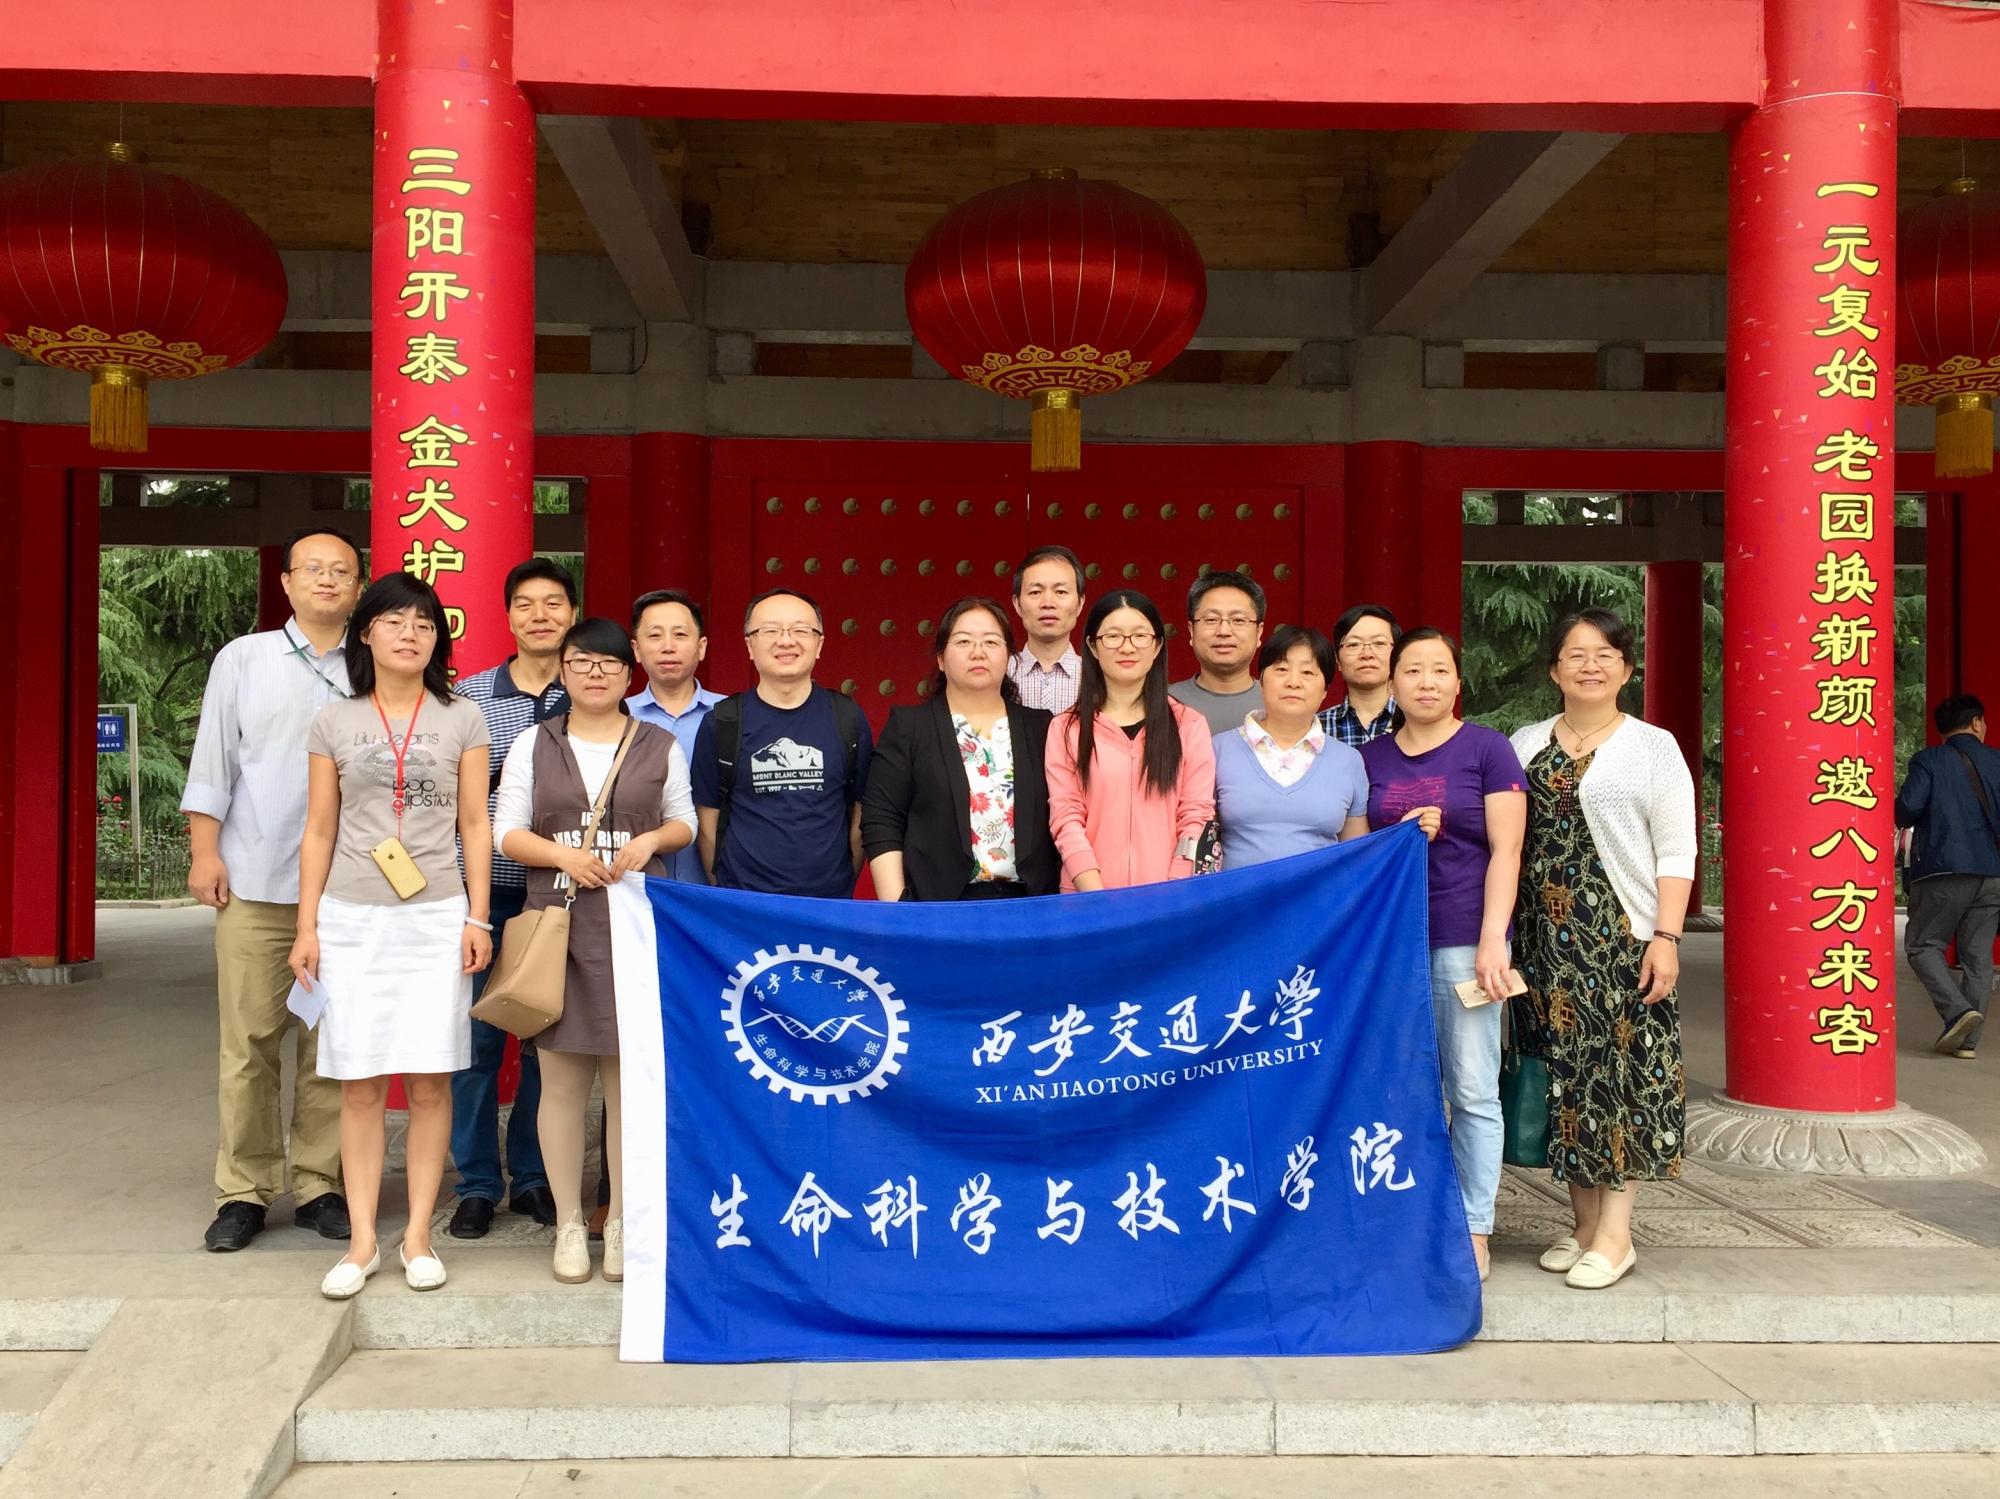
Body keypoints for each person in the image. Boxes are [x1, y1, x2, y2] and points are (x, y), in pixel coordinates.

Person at [291, 573, 493, 1299]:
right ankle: (362, 1241)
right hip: (352, 918)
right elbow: (320, 828)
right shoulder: (334, 721)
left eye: (425, 623)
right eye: (395, 621)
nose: (411, 633)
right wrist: (307, 924)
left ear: (438, 639)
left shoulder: (463, 717)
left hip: (436, 916)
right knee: (360, 1083)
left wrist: (476, 916)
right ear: (366, 633)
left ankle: (417, 1238)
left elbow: (476, 823)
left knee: (432, 1081)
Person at [494, 618, 697, 1283]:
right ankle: (568, 1222)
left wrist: (652, 841)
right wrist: (562, 856)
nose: (595, 673)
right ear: (564, 670)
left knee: (626, 1087)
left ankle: (621, 1222)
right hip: (559, 928)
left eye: (609, 664)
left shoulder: (659, 742)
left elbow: (684, 819)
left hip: (635, 929)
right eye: (581, 661)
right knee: (559, 1083)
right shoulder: (534, 742)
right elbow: (505, 831)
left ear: (628, 674)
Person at [184, 525, 360, 1253]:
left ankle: (320, 1183)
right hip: (256, 881)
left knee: (331, 1044)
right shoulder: (244, 658)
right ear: (285, 582)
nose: (327, 579)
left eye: (341, 570)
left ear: (358, 587)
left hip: (349, 890)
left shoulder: (373, 661)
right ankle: (244, 1191)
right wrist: (205, 851)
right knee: (249, 1043)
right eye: (312, 568)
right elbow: (214, 760)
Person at [1508, 608, 1696, 1292]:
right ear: (1554, 669)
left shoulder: (1653, 746)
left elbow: (1677, 849)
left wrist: (1666, 937)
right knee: (1562, 1075)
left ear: (1627, 668)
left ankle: (1617, 1235)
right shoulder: (1525, 742)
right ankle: (1584, 1225)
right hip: (1542, 943)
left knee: (1618, 1078)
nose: (1590, 665)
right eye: (1575, 654)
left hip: (1620, 937)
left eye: (1605, 654)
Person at [1361, 627, 1525, 1282]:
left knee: (1473, 1088)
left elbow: (1507, 851)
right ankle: (1409, 1217)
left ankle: (1473, 1225)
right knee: (1399, 1087)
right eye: (1412, 669)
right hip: (1390, 948)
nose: (1426, 681)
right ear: (1391, 683)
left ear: (1458, 682)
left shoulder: (1487, 749)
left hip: (1465, 941)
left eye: (1439, 669)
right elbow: (1352, 851)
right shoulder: (1369, 758)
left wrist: (1492, 939)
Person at [447, 559, 577, 1239]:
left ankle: (531, 1176)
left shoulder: (587, 690)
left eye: (553, 603)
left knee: (542, 1042)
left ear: (572, 613)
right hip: (481, 894)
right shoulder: (469, 696)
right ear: (508, 617)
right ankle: (475, 1183)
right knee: (474, 1044)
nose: (540, 615)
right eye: (526, 604)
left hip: (554, 898)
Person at [862, 597, 1058, 901]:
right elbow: (882, 819)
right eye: (963, 641)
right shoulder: (910, 727)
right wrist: (898, 908)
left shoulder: (1042, 727)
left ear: (1009, 656)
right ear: (941, 658)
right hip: (938, 909)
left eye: (991, 642)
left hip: (1030, 906)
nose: (978, 652)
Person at [691, 588, 874, 897]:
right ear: (749, 645)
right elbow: (707, 822)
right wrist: (728, 893)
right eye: (770, 630)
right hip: (746, 902)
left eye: (800, 630)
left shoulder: (847, 718)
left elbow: (862, 813)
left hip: (828, 905)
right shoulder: (722, 722)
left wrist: (840, 886)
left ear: (819, 644)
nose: (786, 641)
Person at [1046, 591, 1216, 891]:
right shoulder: (1066, 729)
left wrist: (1173, 892)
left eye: (1140, 636)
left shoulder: (1189, 725)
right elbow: (1066, 816)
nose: (1127, 647)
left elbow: (1196, 816)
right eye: (1113, 636)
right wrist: (1095, 896)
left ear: (1157, 645)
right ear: (1093, 646)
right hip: (1087, 899)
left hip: (1170, 899)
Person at [1213, 625, 1370, 869]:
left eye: (1307, 672)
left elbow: (1357, 856)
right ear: (1261, 681)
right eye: (1282, 669)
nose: (1293, 682)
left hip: (1321, 894)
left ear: (1325, 690)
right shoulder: (1218, 749)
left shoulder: (1348, 760)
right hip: (1238, 893)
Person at [1897, 693, 2000, 1059]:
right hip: (1992, 873)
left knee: (1923, 945)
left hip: (1943, 869)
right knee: (1978, 959)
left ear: (1942, 730)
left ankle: (1957, 1013)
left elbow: (1907, 809)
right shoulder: (1997, 761)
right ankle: (1966, 1043)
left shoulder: (1929, 760)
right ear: (1977, 722)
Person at [625, 588, 724, 884]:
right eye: (655, 636)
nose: (668, 647)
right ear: (636, 649)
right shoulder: (617, 718)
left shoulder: (733, 715)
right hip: (635, 885)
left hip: (718, 887)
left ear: (701, 647)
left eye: (680, 635)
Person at [1169, 570, 1267, 735]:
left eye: (1238, 620)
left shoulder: (1280, 704)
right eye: (1211, 620)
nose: (1224, 631)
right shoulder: (1163, 703)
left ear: (1259, 632)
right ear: (1192, 630)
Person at [1006, 544, 1086, 712]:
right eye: (1035, 592)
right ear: (1017, 604)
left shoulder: (1099, 676)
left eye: (1061, 592)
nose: (1048, 603)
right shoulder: (1000, 672)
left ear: (1080, 604)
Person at [1318, 604, 1401, 747]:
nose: (1367, 654)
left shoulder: (1415, 722)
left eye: (1379, 643)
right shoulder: (1316, 728)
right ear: (1337, 660)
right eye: (1353, 644)